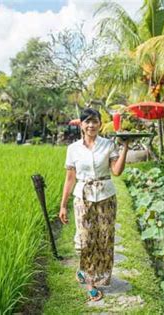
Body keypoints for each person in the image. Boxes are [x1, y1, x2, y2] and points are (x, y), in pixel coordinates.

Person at [59, 108, 130, 301]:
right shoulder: (73, 149)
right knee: (86, 240)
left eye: (95, 121)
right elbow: (69, 179)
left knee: (105, 239)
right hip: (83, 197)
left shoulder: (108, 145)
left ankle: (96, 276)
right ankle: (90, 282)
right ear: (81, 125)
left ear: (100, 123)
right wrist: (63, 205)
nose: (91, 125)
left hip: (106, 196)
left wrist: (125, 148)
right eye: (87, 122)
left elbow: (116, 171)